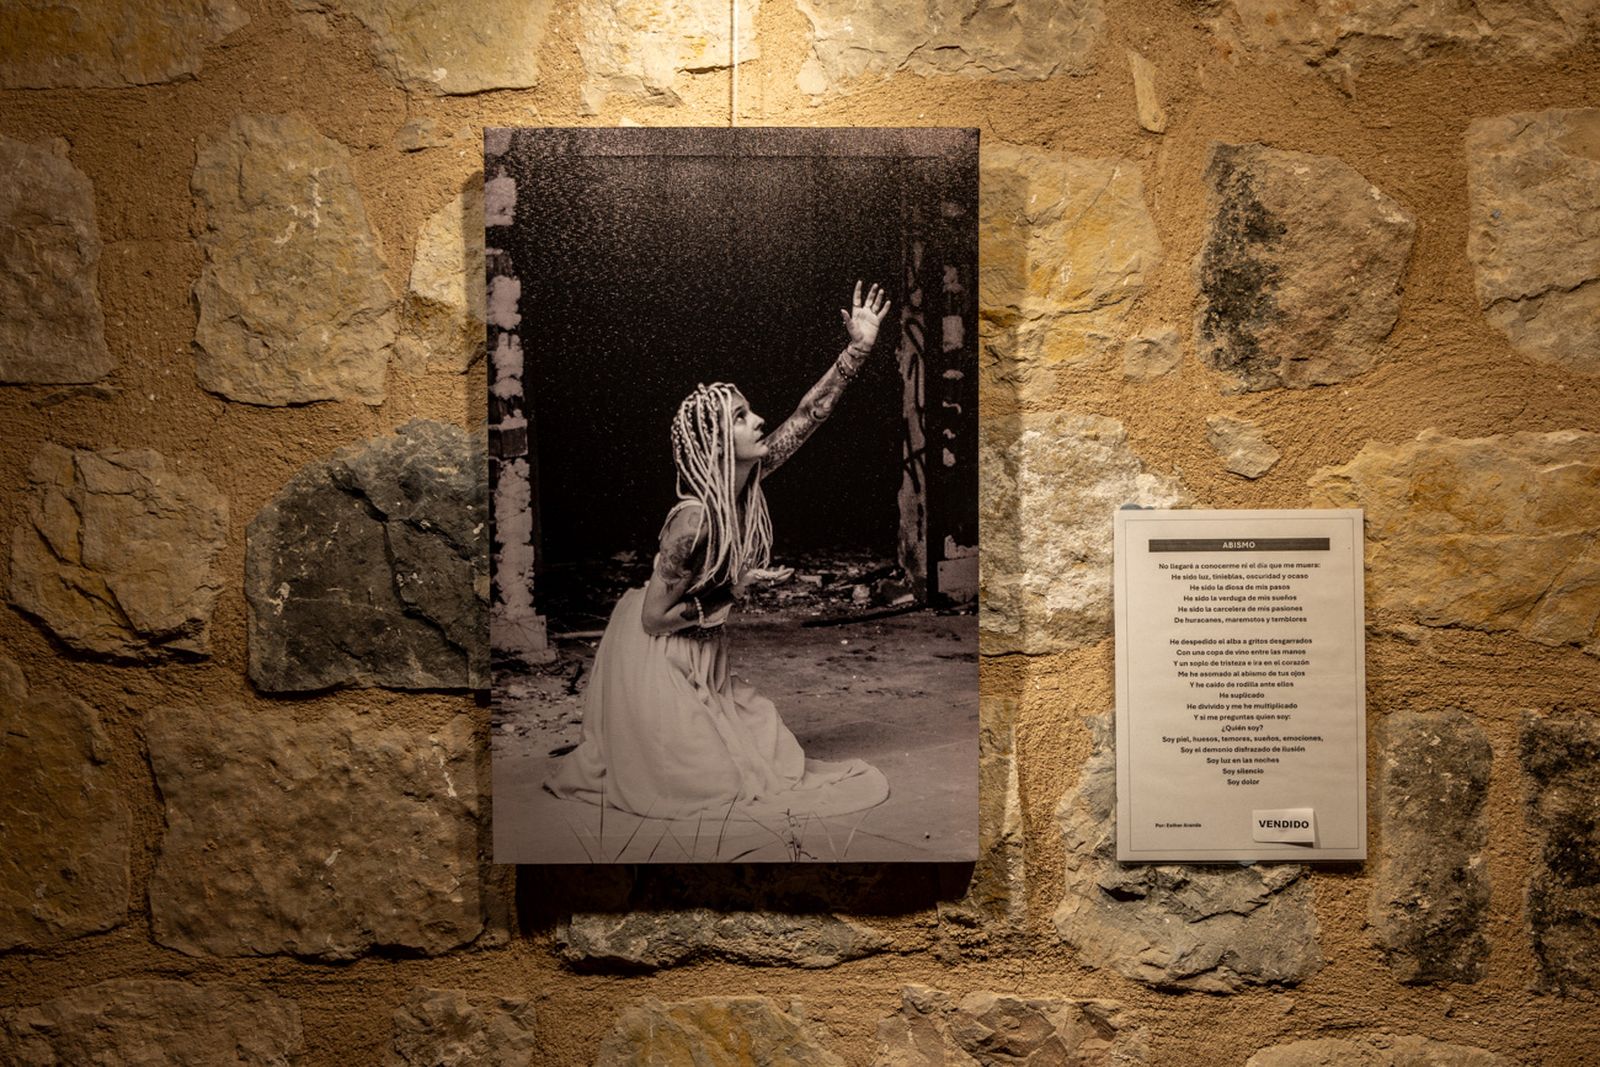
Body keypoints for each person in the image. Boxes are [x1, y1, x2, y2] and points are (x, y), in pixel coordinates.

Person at [545, 281, 893, 825]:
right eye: (739, 416)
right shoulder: (693, 519)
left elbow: (808, 415)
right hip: (652, 654)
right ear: (716, 443)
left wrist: (858, 350)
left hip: (699, 646)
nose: (757, 421)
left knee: (766, 755)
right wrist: (737, 588)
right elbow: (656, 619)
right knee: (712, 786)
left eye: (750, 412)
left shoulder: (742, 486)